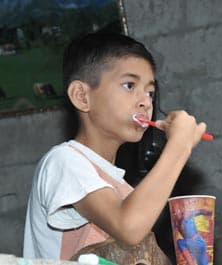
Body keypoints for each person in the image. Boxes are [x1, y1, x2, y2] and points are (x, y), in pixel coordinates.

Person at [23, 32, 206, 260]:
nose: (146, 101)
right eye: (129, 85)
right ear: (81, 96)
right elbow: (127, 227)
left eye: (150, 92)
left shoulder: (124, 193)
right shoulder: (63, 161)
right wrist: (179, 147)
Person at [171, 200, 212, 265]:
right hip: (191, 246)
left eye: (178, 211)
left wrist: (205, 212)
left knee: (180, 242)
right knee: (180, 242)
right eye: (174, 213)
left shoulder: (187, 214)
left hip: (198, 243)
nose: (177, 214)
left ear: (182, 209)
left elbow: (199, 211)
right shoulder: (175, 222)